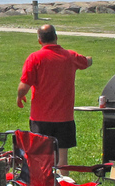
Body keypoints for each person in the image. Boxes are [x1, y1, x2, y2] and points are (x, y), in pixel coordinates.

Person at [16, 25, 94, 167]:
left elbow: (24, 87)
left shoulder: (35, 58)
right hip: (64, 117)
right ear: (56, 37)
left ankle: (44, 180)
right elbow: (87, 62)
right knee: (62, 158)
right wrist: (90, 59)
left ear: (40, 40)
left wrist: (19, 97)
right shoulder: (70, 56)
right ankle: (63, 180)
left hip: (40, 117)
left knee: (41, 157)